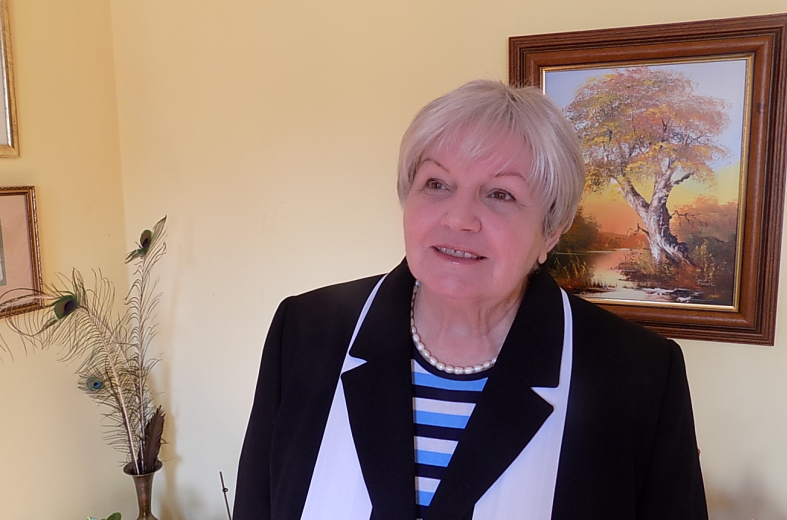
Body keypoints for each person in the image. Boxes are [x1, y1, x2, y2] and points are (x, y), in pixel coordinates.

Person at [234, 80, 708, 520]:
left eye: (500, 194)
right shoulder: (306, 332)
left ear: (552, 229)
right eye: (437, 184)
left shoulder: (638, 375)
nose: (459, 218)